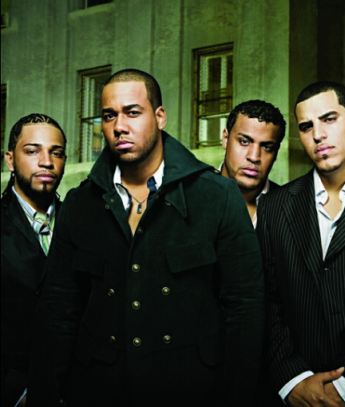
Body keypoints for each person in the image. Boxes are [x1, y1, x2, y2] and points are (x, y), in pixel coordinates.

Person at [27, 69, 265, 407]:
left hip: (191, 390)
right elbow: (58, 310)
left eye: (132, 112)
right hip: (98, 391)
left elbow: (245, 307)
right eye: (109, 116)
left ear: (160, 116)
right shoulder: (79, 204)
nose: (119, 126)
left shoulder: (217, 195)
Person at [257, 81, 345, 407]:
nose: (318, 135)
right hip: (300, 393)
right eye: (306, 126)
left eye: (329, 119)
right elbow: (267, 302)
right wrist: (292, 381)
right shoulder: (275, 206)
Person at [1, 114, 67, 407]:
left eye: (56, 152)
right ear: (10, 160)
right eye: (32, 151)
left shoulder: (84, 224)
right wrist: (16, 393)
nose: (46, 162)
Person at [220, 100, 286, 227]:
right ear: (226, 139)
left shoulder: (292, 208)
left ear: (276, 153)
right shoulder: (191, 196)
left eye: (266, 147)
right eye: (244, 142)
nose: (254, 157)